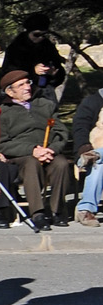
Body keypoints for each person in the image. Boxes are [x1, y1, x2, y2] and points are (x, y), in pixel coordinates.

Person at [0, 69, 71, 230]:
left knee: (62, 164)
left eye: (28, 82)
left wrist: (52, 149)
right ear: (10, 91)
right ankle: (37, 213)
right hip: (22, 155)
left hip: (48, 151)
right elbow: (2, 144)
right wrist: (32, 150)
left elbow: (61, 132)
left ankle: (56, 211)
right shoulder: (3, 112)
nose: (27, 87)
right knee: (32, 163)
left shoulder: (45, 105)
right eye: (21, 85)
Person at [1, 12, 66, 99]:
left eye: (44, 35)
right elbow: (10, 74)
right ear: (28, 32)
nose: (40, 38)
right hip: (24, 94)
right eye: (37, 35)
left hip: (46, 92)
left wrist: (53, 73)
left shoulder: (48, 46)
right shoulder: (16, 48)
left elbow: (59, 71)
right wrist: (33, 71)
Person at [71, 83, 103, 226]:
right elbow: (80, 127)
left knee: (99, 157)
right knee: (97, 162)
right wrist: (84, 148)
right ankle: (85, 209)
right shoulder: (93, 102)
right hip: (88, 151)